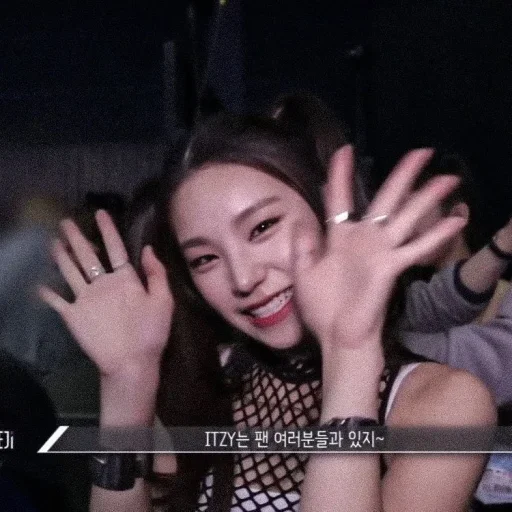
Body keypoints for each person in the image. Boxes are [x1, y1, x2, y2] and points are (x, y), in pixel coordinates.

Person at [40, 101, 495, 512]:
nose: (243, 279)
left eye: (262, 227)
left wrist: (351, 355)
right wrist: (125, 386)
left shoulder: (442, 405)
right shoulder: (198, 386)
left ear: (326, 214)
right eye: (205, 259)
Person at [399, 153, 512, 405]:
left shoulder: (503, 299)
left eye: (412, 211)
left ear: (458, 215)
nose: (401, 227)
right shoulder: (410, 299)